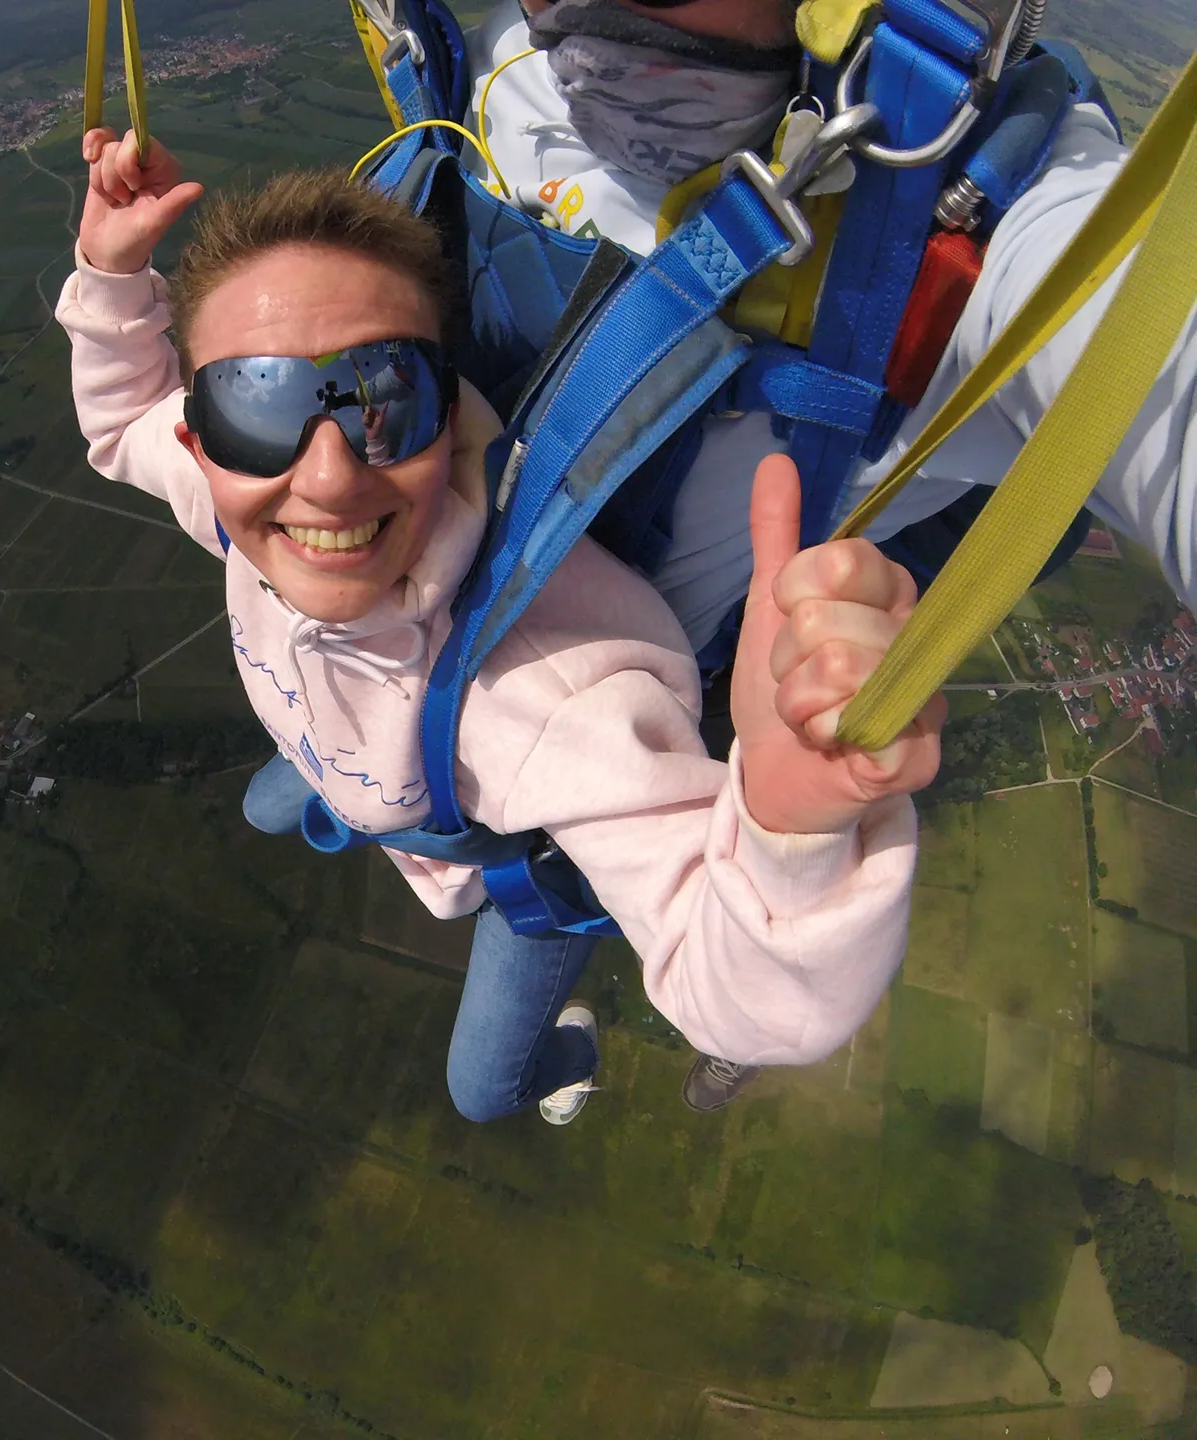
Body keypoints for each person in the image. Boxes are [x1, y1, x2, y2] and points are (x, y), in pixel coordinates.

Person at [57, 127, 943, 1130]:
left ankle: (563, 1050)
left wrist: (789, 833)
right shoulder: (222, 494)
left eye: (383, 400)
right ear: (200, 439)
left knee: (478, 1091)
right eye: (258, 408)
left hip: (507, 838)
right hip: (359, 751)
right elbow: (122, 422)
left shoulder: (543, 697)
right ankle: (358, 790)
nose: (330, 476)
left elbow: (750, 1000)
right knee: (273, 806)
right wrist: (112, 273)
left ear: (449, 417)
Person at [463, 0, 1197, 1109]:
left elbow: (1143, 340)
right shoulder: (504, 68)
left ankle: (720, 976)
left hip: (651, 712)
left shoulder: (980, 215)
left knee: (494, 1067)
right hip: (440, 644)